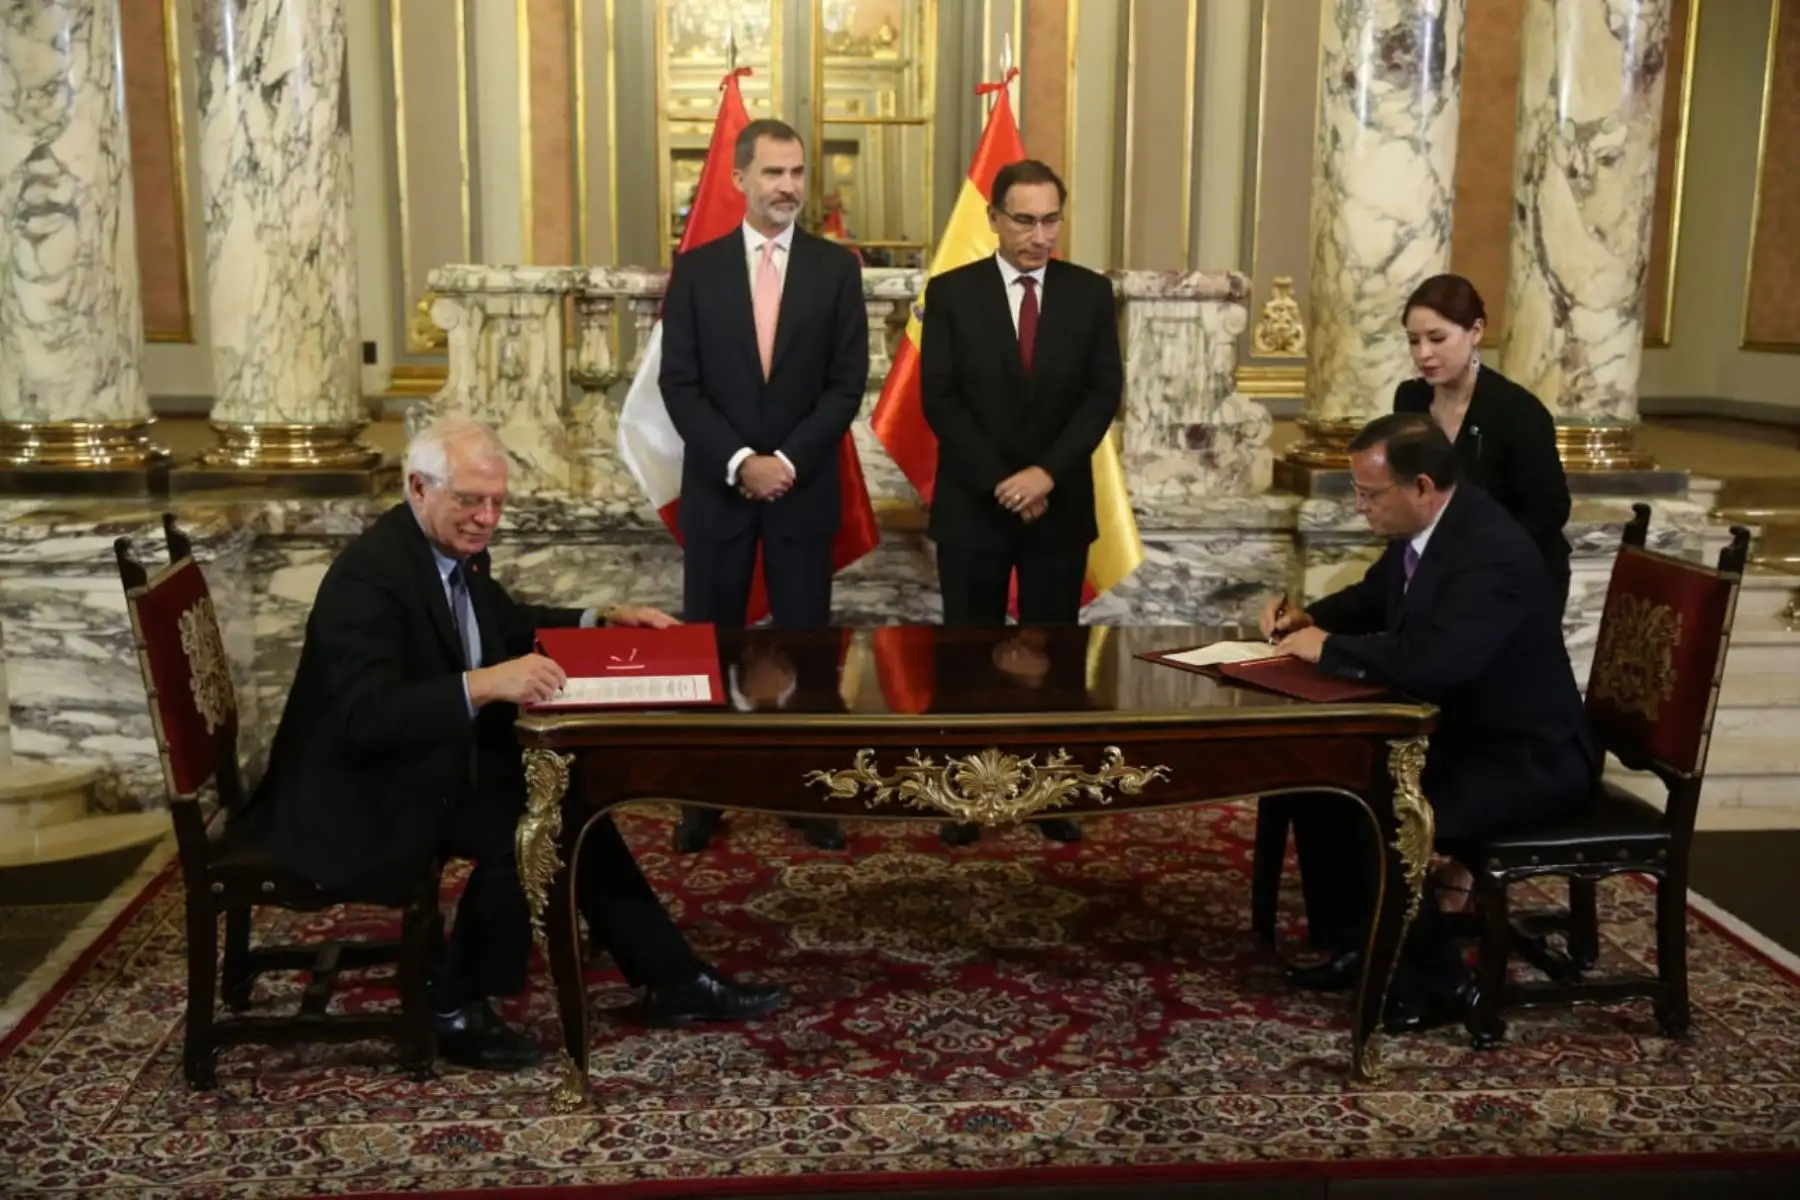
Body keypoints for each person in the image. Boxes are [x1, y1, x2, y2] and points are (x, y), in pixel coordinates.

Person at [248, 417, 786, 1071]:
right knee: (530, 827)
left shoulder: (448, 550)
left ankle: (670, 978)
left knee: (570, 799)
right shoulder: (369, 580)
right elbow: (365, 717)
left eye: (497, 502)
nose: (486, 518)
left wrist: (600, 618)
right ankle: (454, 1006)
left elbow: (504, 622)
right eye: (471, 501)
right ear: (418, 488)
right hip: (358, 791)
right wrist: (481, 685)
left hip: (424, 759)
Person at [1260, 413, 1597, 1033]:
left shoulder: (1490, 552)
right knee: (1320, 783)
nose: (1360, 507)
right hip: (1464, 738)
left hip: (1526, 759)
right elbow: (1373, 596)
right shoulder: (1431, 526)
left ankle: (1439, 984)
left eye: (1369, 494)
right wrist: (1306, 620)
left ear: (1421, 486)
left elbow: (1436, 663)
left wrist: (1329, 649)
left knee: (1380, 809)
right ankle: (1362, 944)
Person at [658, 117, 869, 856]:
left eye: (797, 174)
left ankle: (805, 793)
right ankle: (704, 796)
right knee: (709, 649)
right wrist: (740, 461)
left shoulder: (837, 270)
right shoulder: (697, 270)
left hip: (801, 491)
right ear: (738, 179)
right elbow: (679, 386)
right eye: (773, 173)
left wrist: (786, 463)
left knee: (806, 648)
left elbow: (847, 386)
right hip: (719, 492)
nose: (788, 188)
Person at [918, 158, 1122, 847]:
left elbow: (1101, 396)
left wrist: (1044, 475)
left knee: (1053, 652)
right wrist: (1003, 480)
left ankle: (1048, 791)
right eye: (1026, 220)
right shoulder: (951, 293)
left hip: (1057, 503)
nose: (1041, 235)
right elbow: (939, 399)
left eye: (1052, 220)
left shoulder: (1090, 294)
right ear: (995, 220)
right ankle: (967, 794)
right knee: (967, 651)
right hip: (975, 502)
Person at [1393, 273, 1572, 615]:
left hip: (1512, 578)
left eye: (1436, 338)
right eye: (1413, 341)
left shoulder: (1516, 410)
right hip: (1436, 570)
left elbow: (1548, 511)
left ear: (1475, 331)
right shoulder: (1410, 399)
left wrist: (1477, 560)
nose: (1423, 354)